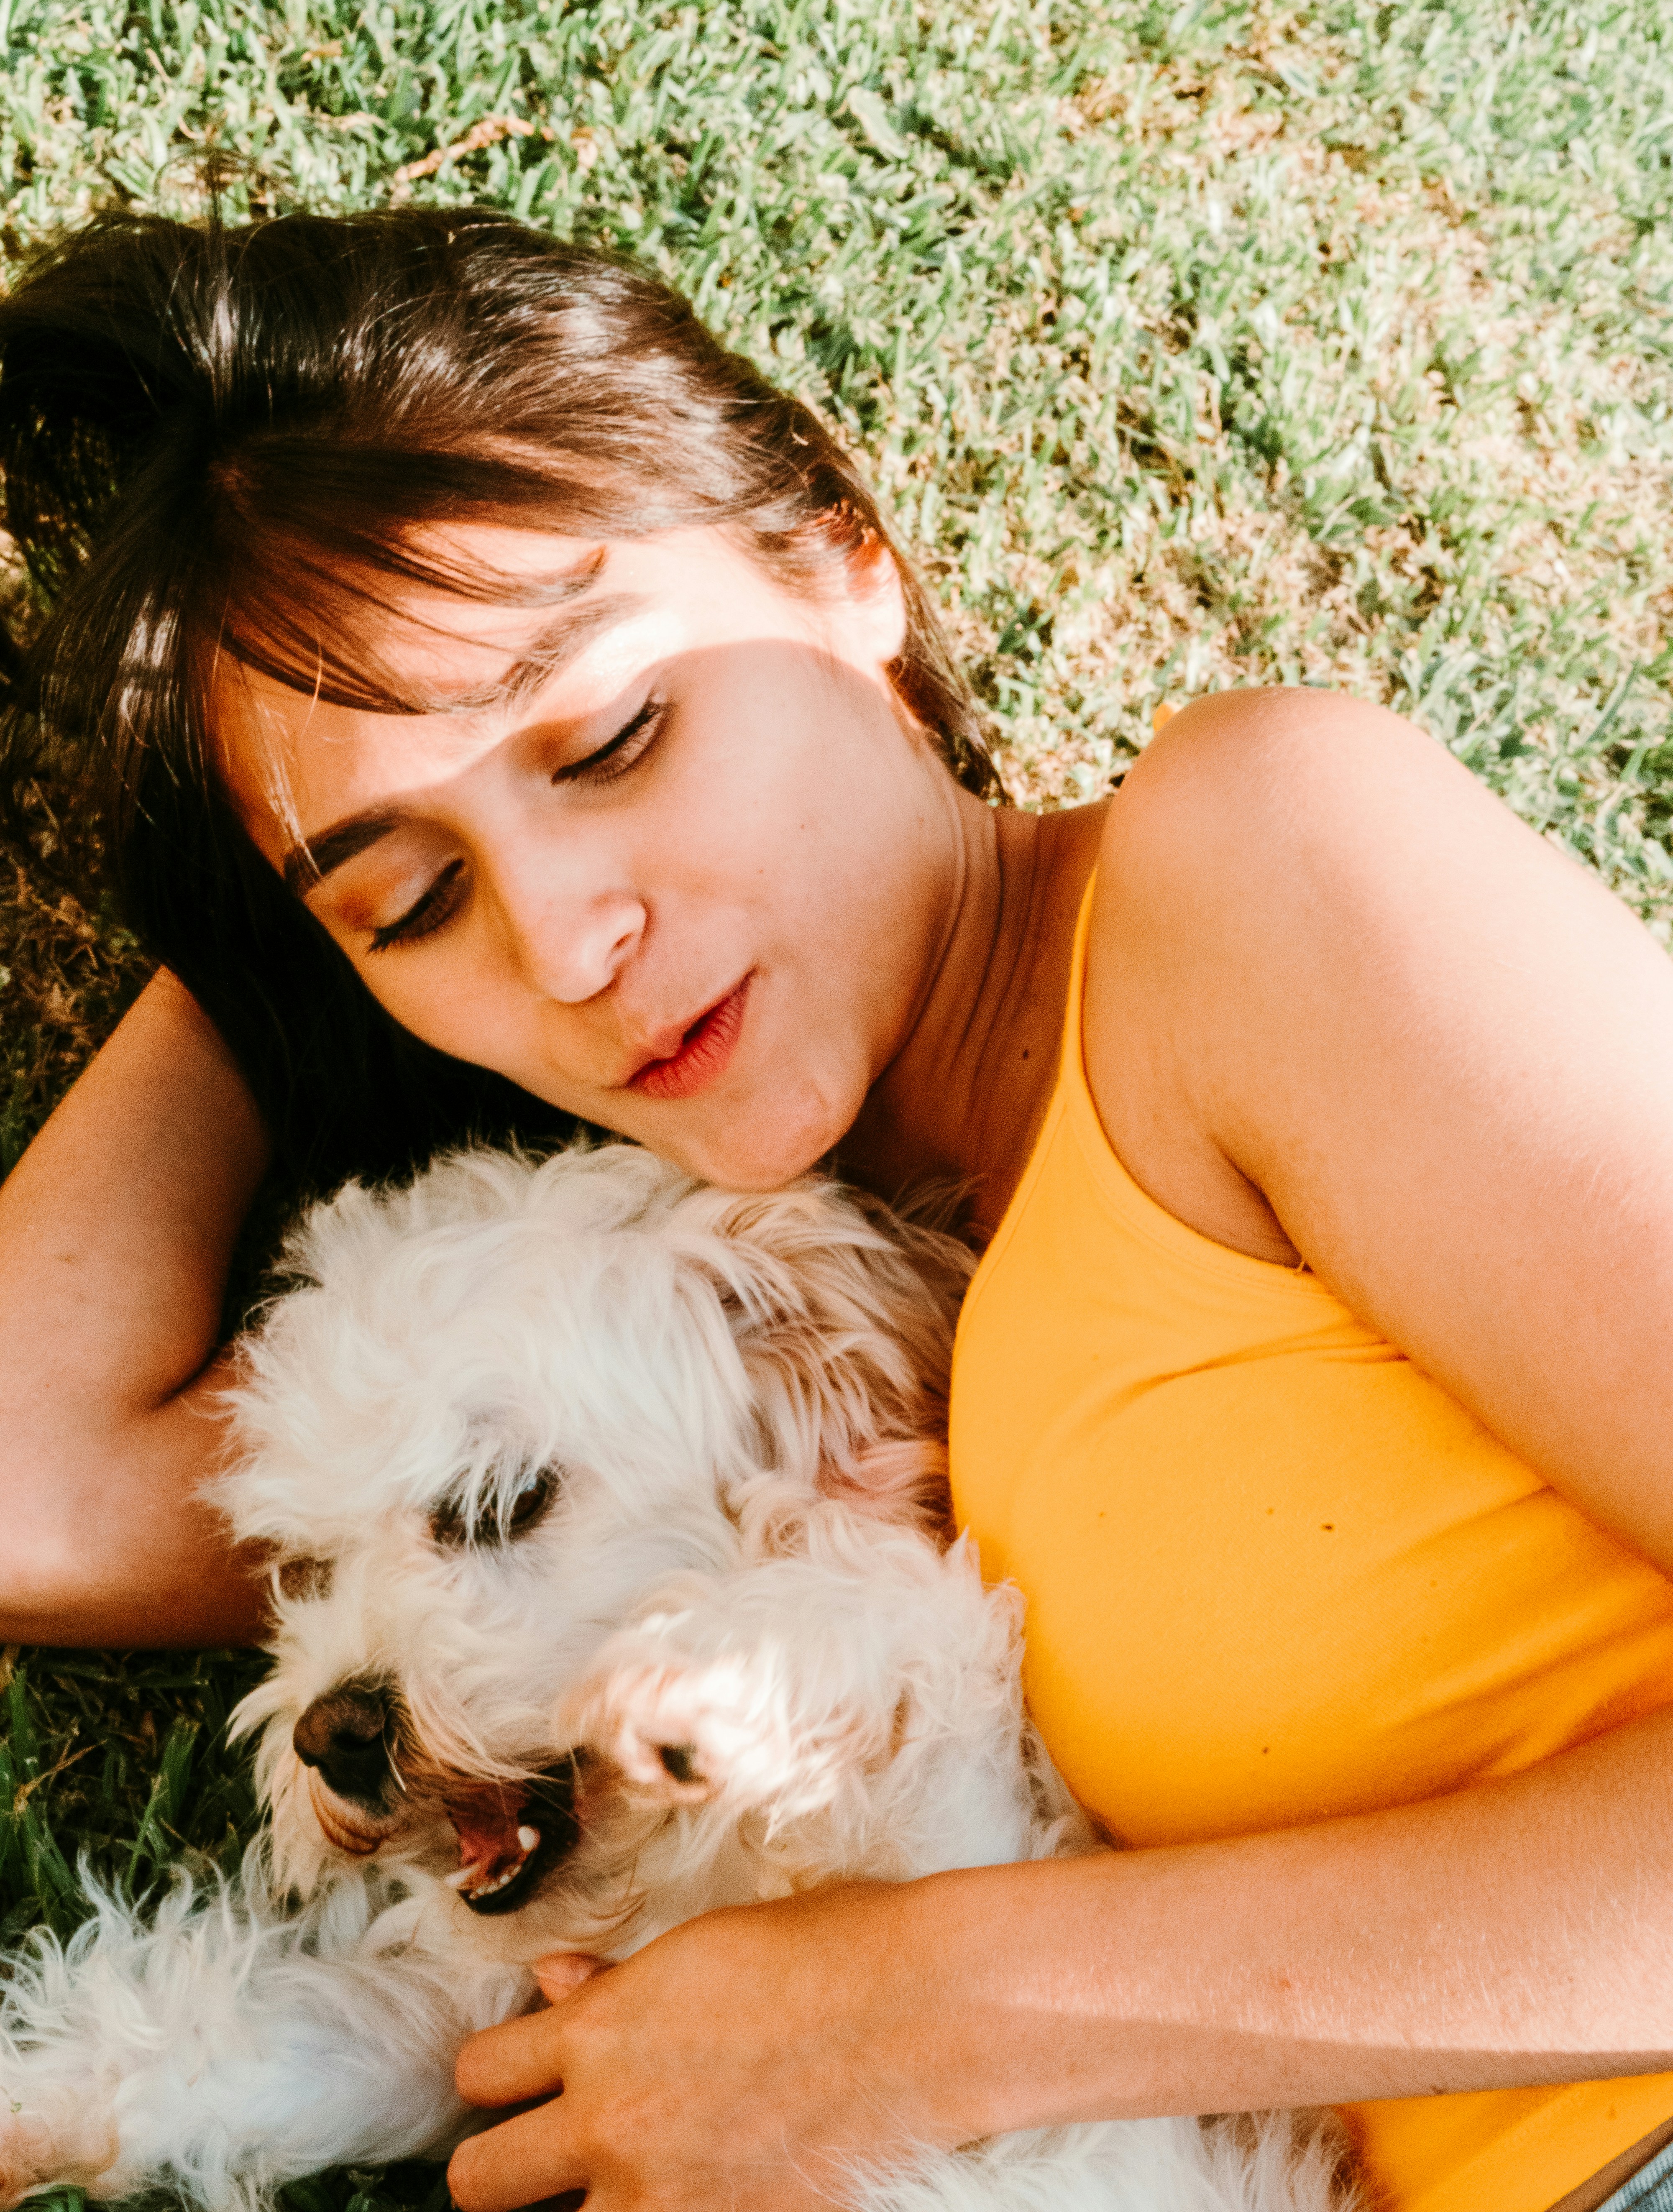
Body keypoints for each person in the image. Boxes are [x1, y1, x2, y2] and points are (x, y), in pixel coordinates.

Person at [0, 207, 1670, 2212]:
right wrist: (285, 905)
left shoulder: (1253, 873)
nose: (565, 937)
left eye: (613, 737)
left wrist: (918, 2015)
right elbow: (34, 1492)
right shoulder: (615, 1320)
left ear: (842, 568)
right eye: (418, 901)